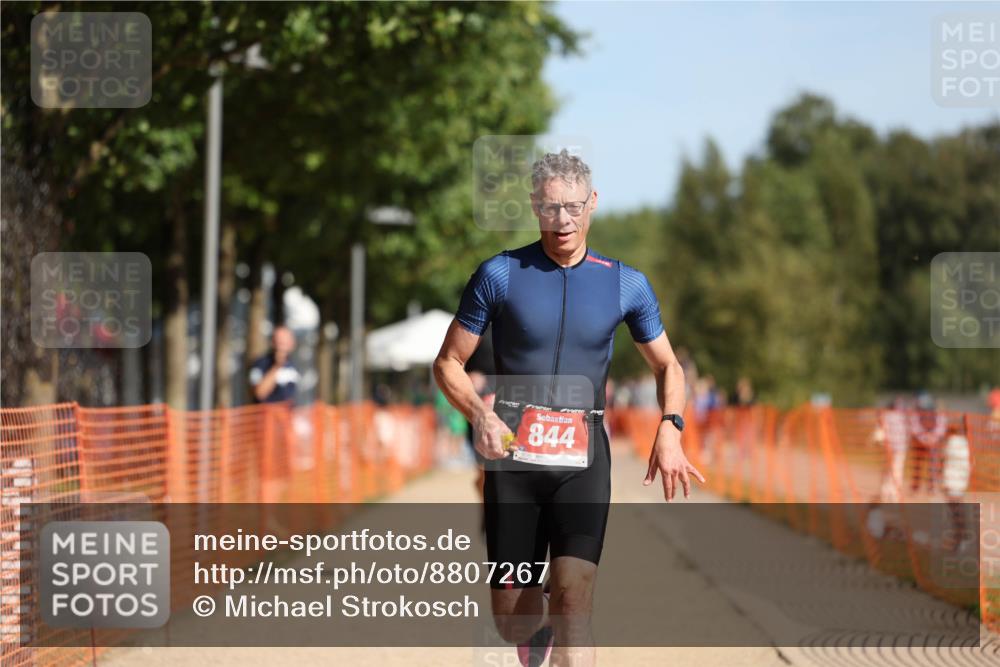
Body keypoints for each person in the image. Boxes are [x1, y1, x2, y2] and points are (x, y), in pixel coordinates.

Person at [433, 149, 704, 667]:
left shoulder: (625, 283)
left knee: (574, 595)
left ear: (593, 204)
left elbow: (669, 366)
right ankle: (539, 641)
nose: (563, 221)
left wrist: (670, 427)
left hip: (582, 458)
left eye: (574, 207)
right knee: (513, 615)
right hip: (513, 459)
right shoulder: (499, 274)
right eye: (552, 208)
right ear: (535, 205)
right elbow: (448, 363)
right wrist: (481, 415)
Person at [248, 326, 300, 404]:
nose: (282, 348)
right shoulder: (260, 364)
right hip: (264, 414)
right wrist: (276, 366)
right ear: (273, 343)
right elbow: (259, 394)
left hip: (286, 414)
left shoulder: (293, 364)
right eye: (280, 343)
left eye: (285, 343)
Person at [908, 392, 947, 493]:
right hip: (921, 443)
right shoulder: (916, 413)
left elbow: (941, 426)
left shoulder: (938, 413)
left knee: (933, 466)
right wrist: (925, 438)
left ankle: (931, 487)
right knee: (918, 466)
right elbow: (914, 426)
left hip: (932, 443)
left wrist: (931, 438)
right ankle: (915, 487)